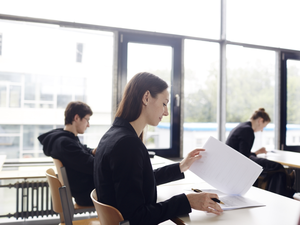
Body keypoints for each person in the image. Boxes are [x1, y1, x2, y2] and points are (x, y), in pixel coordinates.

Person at [94, 72, 223, 225]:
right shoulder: (127, 144)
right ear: (146, 97)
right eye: (164, 103)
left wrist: (181, 167)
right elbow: (137, 217)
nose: (166, 112)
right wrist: (186, 201)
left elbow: (138, 181)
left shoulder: (113, 136)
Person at [226, 108, 295, 197]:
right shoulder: (248, 130)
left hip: (233, 162)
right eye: (264, 126)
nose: (262, 130)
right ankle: (285, 190)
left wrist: (257, 152)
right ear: (260, 120)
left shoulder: (242, 126)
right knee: (277, 167)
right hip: (238, 163)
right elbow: (244, 156)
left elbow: (241, 152)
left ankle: (284, 188)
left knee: (274, 167)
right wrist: (255, 154)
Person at [38, 101, 95, 206]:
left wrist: (92, 151)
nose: (88, 125)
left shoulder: (65, 138)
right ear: (77, 118)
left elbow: (82, 150)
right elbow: (91, 165)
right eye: (87, 120)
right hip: (87, 194)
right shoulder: (65, 143)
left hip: (84, 191)